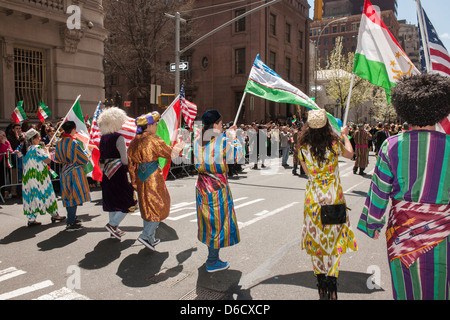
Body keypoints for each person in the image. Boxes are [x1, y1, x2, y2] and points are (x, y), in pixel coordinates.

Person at [357, 74, 450, 300]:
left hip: (402, 235)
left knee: (406, 291)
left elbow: (379, 190)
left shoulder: (392, 145)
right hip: (444, 234)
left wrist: (373, 222)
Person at [297, 109, 357, 300]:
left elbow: (307, 173)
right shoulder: (333, 144)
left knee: (316, 242)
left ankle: (321, 283)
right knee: (334, 241)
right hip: (334, 198)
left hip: (313, 200)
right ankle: (332, 284)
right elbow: (350, 154)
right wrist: (345, 136)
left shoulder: (302, 147)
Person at [194, 110, 243, 272]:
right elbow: (236, 156)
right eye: (221, 124)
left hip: (201, 185)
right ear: (215, 125)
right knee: (217, 223)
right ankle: (212, 260)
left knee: (208, 223)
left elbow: (190, 156)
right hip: (216, 187)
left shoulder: (197, 141)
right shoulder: (221, 141)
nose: (222, 127)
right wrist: (234, 137)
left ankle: (212, 256)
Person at [127, 112, 184, 250]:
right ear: (150, 125)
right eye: (155, 124)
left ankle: (150, 239)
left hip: (141, 176)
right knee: (159, 204)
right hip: (152, 176)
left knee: (146, 206)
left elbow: (131, 164)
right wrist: (180, 144)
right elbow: (170, 153)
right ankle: (146, 235)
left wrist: (134, 180)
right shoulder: (153, 139)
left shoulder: (135, 141)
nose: (157, 126)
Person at [98, 107, 137, 240]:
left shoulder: (102, 138)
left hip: (107, 172)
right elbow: (124, 159)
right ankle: (112, 224)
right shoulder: (118, 137)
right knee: (128, 200)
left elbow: (101, 158)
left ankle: (114, 230)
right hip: (119, 171)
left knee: (112, 201)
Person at [21, 129, 65, 226]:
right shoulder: (37, 148)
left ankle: (31, 219)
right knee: (47, 193)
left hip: (29, 177)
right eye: (38, 137)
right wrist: (46, 150)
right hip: (39, 176)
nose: (40, 138)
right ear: (33, 139)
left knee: (32, 196)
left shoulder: (27, 149)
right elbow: (48, 160)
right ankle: (55, 214)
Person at [54, 121, 91, 230]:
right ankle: (70, 222)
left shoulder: (59, 142)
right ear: (73, 130)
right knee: (74, 196)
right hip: (74, 171)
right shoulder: (74, 143)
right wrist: (87, 153)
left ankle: (72, 218)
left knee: (67, 195)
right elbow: (84, 159)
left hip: (65, 170)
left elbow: (56, 158)